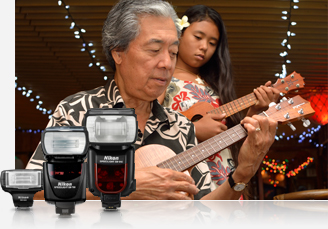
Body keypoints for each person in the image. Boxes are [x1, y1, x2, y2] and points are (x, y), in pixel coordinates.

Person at [26, 0, 277, 200]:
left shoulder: (180, 126)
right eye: (154, 50)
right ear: (118, 52)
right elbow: (33, 187)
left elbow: (204, 211)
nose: (167, 63)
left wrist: (242, 172)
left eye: (173, 52)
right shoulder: (77, 111)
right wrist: (124, 186)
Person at [159, 5, 280, 195]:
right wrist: (194, 130)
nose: (204, 47)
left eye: (213, 43)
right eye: (198, 37)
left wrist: (254, 112)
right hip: (184, 177)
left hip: (223, 175)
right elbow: (144, 129)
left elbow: (231, 136)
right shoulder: (161, 78)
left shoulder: (214, 86)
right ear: (179, 33)